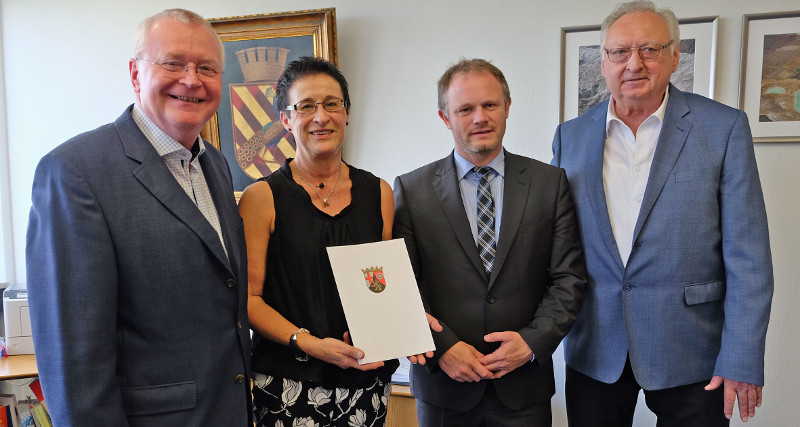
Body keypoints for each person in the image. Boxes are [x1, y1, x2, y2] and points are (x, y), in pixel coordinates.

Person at [551, 1, 774, 425]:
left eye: (650, 49)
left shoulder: (723, 128)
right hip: (597, 346)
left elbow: (750, 258)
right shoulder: (571, 136)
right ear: (603, 62)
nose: (634, 63)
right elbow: (557, 245)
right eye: (620, 52)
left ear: (675, 56)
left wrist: (741, 356)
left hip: (693, 350)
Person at [26, 9, 252, 426]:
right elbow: (74, 366)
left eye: (206, 68)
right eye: (172, 63)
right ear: (135, 74)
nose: (191, 79)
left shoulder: (215, 165)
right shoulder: (75, 172)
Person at [239, 56, 436, 427]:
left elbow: (380, 284)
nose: (321, 116)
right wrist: (310, 343)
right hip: (287, 385)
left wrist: (404, 318)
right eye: (306, 106)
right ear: (286, 120)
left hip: (364, 382)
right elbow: (248, 300)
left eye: (332, 103)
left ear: (347, 113)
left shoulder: (379, 192)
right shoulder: (261, 197)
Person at [393, 58, 588, 426]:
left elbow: (569, 279)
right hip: (443, 389)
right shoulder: (411, 189)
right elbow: (403, 288)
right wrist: (442, 348)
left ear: (508, 107)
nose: (480, 117)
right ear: (445, 118)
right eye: (465, 109)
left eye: (490, 105)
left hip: (523, 389)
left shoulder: (549, 184)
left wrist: (532, 342)